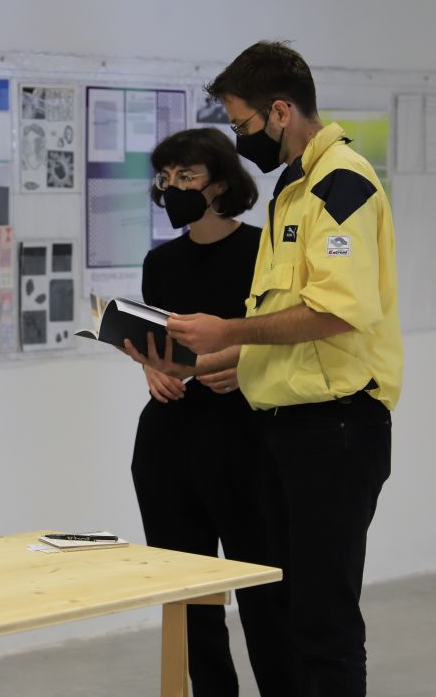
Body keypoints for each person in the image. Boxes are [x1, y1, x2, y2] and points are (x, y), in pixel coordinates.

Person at [126, 40, 402, 697]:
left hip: (334, 424)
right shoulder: (295, 189)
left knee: (320, 622)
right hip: (288, 424)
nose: (240, 137)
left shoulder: (340, 183)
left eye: (243, 123)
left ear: (281, 111)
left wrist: (227, 334)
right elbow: (282, 319)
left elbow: (337, 311)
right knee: (300, 614)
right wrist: (189, 357)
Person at [132, 127, 285, 696]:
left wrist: (245, 361)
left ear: (219, 183)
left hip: (245, 436)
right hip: (170, 439)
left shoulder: (264, 252)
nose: (172, 187)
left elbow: (285, 333)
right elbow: (157, 344)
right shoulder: (160, 261)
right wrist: (150, 370)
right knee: (191, 596)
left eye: (186, 176)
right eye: (166, 177)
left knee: (264, 590)